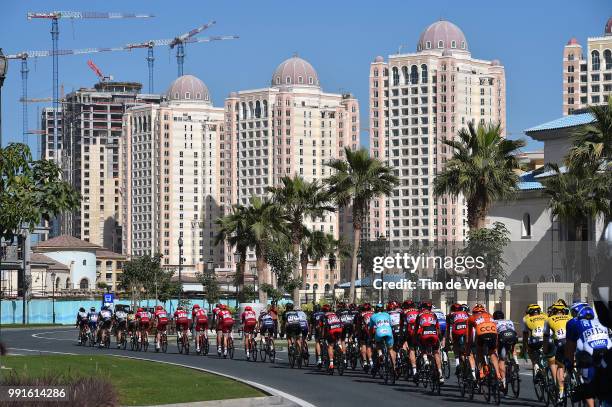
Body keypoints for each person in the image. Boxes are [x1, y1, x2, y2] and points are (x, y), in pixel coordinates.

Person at [543, 300, 571, 399]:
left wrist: (545, 350)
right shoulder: (570, 317)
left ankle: (561, 391)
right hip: (572, 342)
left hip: (559, 343)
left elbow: (546, 336)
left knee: (559, 365)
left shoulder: (549, 319)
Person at [467, 304, 500, 384]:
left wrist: (468, 346)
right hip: (493, 334)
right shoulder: (490, 315)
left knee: (479, 351)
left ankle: (481, 372)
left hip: (481, 335)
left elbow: (469, 335)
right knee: (492, 352)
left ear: (474, 312)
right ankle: (498, 374)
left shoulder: (471, 318)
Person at [414, 301, 444, 383]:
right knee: (436, 353)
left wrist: (415, 338)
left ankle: (426, 360)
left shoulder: (419, 315)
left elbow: (416, 328)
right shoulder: (433, 315)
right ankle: (440, 374)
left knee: (422, 346)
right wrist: (440, 338)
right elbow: (438, 328)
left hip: (424, 334)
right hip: (434, 334)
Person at [369, 303, 397, 375]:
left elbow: (371, 329)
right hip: (388, 331)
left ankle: (380, 354)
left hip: (379, 332)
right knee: (390, 349)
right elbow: (391, 325)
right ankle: (394, 368)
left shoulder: (373, 316)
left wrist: (371, 337)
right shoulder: (387, 315)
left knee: (378, 344)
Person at [493, 310, 517, 390]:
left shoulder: (494, 322)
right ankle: (515, 361)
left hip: (503, 337)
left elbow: (495, 336)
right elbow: (514, 331)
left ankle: (503, 381)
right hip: (512, 335)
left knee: (501, 359)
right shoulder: (509, 321)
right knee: (513, 345)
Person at [521, 303, 547, 372]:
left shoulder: (526, 318)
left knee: (530, 349)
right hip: (547, 339)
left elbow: (525, 335)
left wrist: (524, 347)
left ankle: (535, 364)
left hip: (536, 340)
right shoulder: (545, 316)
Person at [446, 303, 469, 375]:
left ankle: (457, 364)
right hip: (466, 330)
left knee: (455, 346)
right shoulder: (466, 313)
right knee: (466, 347)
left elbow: (449, 329)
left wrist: (449, 340)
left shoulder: (450, 315)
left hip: (457, 330)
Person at [320, 304, 344, 371]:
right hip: (339, 329)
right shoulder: (335, 314)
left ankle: (331, 363)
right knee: (337, 341)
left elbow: (323, 328)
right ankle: (341, 350)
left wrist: (322, 337)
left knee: (330, 346)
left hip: (332, 330)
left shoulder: (323, 316)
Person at [400, 300, 420, 377]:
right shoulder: (418, 311)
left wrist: (402, 336)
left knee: (411, 349)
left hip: (411, 331)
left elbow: (402, 325)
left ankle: (414, 370)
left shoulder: (403, 312)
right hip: (421, 330)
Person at [355, 303, 375, 371]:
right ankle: (371, 361)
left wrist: (357, 333)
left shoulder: (361, 314)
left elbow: (358, 325)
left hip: (365, 332)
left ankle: (365, 362)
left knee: (363, 345)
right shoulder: (373, 313)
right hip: (374, 330)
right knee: (369, 346)